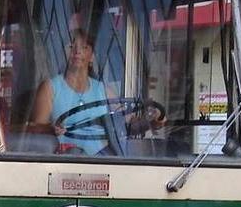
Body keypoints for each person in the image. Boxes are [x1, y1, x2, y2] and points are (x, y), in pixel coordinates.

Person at [30, 29, 164, 155]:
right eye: (71, 46)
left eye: (84, 47)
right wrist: (50, 129)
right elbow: (37, 128)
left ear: (92, 57)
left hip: (103, 160)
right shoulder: (50, 87)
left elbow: (127, 123)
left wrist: (151, 121)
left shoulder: (103, 90)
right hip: (65, 160)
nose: (77, 52)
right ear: (63, 53)